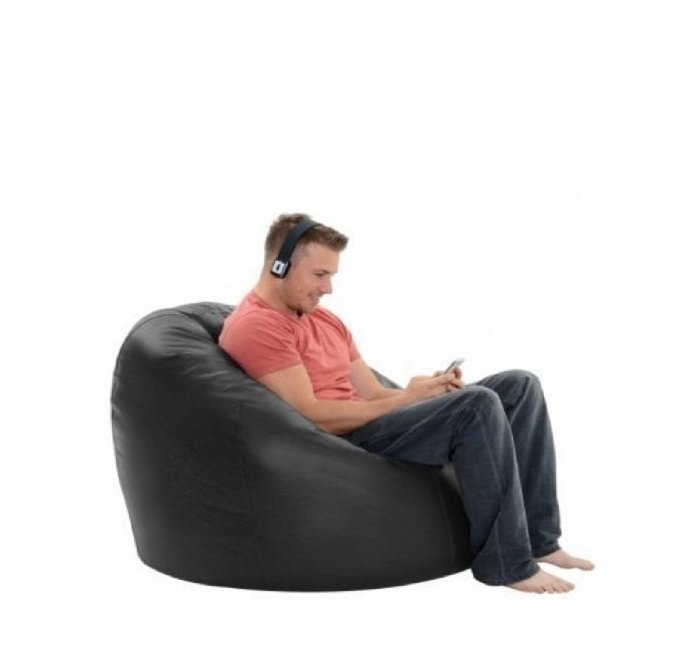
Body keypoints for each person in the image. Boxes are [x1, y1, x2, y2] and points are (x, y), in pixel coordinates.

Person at [218, 213, 594, 594]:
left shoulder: (325, 320)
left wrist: (425, 392)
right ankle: (507, 564)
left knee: (520, 386)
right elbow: (314, 416)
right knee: (476, 406)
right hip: (345, 441)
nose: (327, 288)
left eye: (331, 276)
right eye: (319, 275)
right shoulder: (259, 326)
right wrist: (410, 401)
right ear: (279, 266)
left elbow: (372, 394)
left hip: (371, 422)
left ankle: (540, 541)